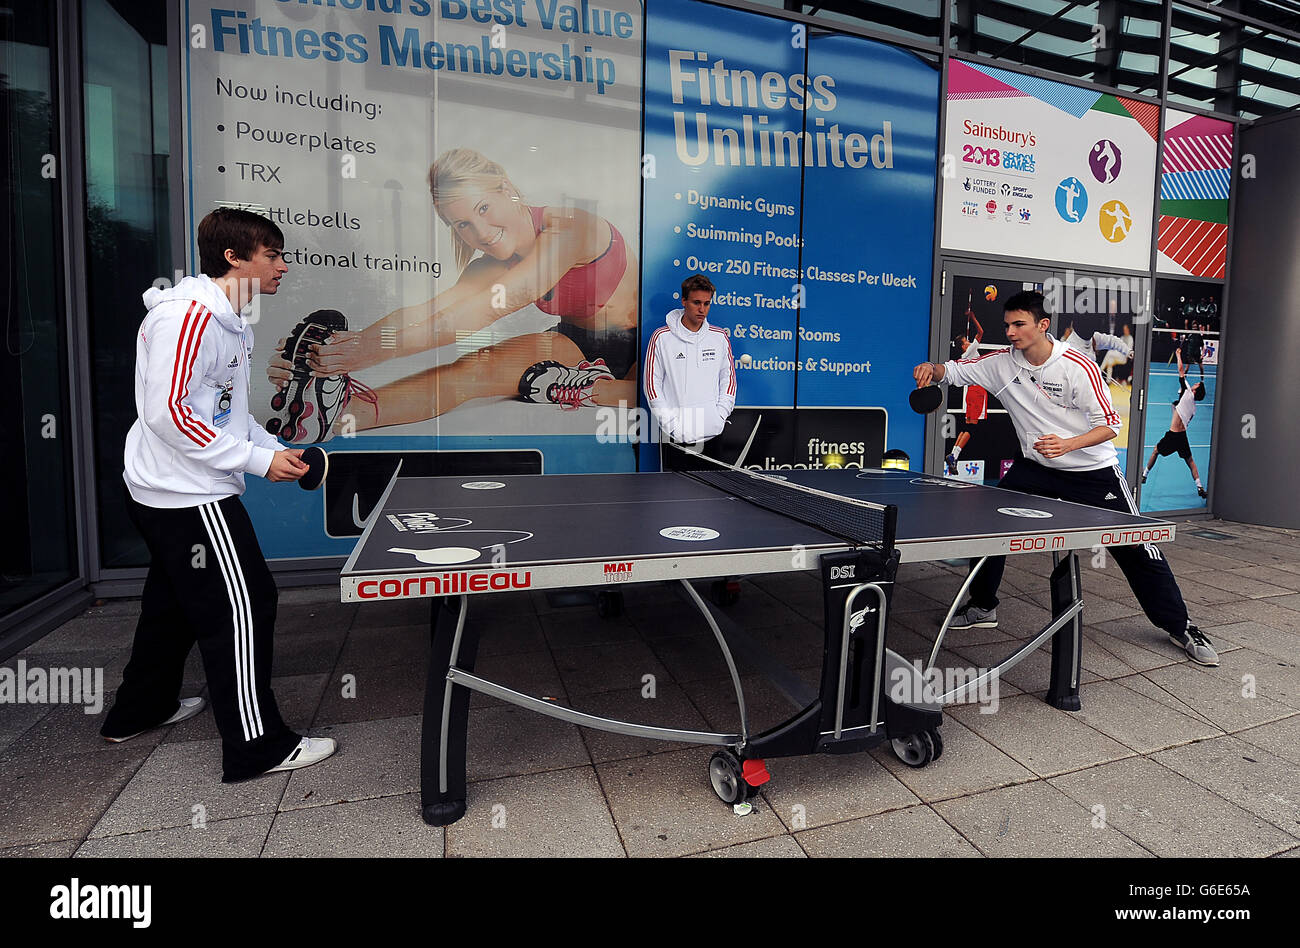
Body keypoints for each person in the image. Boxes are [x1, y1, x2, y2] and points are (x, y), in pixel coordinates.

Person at [101, 208, 339, 778]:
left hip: (172, 488)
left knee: (174, 603)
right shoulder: (189, 320)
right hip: (188, 495)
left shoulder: (231, 320)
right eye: (272, 255)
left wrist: (272, 448)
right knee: (245, 605)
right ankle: (257, 747)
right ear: (234, 258)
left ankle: (139, 708)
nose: (283, 266)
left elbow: (226, 412)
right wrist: (257, 462)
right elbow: (169, 413)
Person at [912, 290, 1218, 666]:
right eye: (1007, 325)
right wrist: (932, 368)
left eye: (1019, 324)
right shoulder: (1001, 364)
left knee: (1136, 546)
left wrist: (1068, 444)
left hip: (1093, 473)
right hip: (1035, 469)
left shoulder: (1077, 367)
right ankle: (983, 606)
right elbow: (955, 371)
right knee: (987, 527)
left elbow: (1110, 426)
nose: (1010, 332)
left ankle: (1181, 625)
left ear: (1043, 325)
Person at [266, 148, 639, 438]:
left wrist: (368, 353)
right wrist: (343, 348)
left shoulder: (570, 227)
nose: (481, 233)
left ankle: (594, 388)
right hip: (578, 343)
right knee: (472, 369)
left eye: (483, 208)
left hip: (648, 345)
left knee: (653, 399)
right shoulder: (490, 264)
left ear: (505, 189)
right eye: (463, 224)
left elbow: (504, 301)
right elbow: (426, 311)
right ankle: (338, 415)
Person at [645, 274, 736, 466]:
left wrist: (719, 416)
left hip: (712, 434)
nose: (702, 309)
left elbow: (728, 380)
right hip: (676, 436)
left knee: (716, 495)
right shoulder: (661, 338)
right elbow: (652, 387)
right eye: (696, 303)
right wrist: (671, 425)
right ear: (684, 301)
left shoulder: (719, 337)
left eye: (707, 303)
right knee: (674, 495)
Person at [1143, 381, 1208, 499]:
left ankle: (1144, 474)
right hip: (1183, 437)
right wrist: (1176, 407)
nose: (1195, 383)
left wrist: (1179, 360)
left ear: (1196, 389)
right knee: (1191, 462)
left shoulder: (1188, 392)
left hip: (1172, 436)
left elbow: (1181, 372)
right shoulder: (1193, 408)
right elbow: (1181, 417)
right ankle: (1200, 487)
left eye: (1197, 384)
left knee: (1155, 451)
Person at [945, 296, 984, 475]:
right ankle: (954, 455)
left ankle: (953, 455)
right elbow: (981, 332)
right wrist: (974, 316)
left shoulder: (964, 356)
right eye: (966, 341)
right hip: (977, 391)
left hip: (970, 393)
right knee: (972, 427)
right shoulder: (970, 350)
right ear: (963, 345)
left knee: (967, 426)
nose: (969, 342)